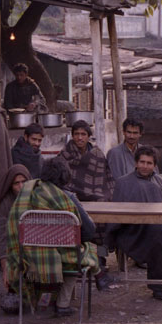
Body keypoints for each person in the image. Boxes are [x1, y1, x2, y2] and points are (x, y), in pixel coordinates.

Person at [6, 159, 100, 317]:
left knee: (71, 250)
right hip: (61, 257)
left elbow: (14, 225)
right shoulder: (67, 197)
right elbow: (89, 232)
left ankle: (41, 300)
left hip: (28, 255)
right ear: (65, 177)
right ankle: (63, 304)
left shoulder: (27, 196)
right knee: (83, 251)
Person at [107, 146, 162, 301]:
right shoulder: (124, 182)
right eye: (142, 162)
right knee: (159, 234)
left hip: (159, 226)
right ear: (136, 163)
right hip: (133, 230)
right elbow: (116, 215)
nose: (145, 166)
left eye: (149, 163)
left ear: (154, 165)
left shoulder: (159, 181)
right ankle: (159, 287)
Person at [53, 120, 115, 290]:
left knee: (104, 213)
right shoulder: (64, 155)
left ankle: (100, 258)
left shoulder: (97, 154)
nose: (80, 138)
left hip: (96, 195)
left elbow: (106, 178)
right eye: (76, 134)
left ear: (88, 137)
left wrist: (106, 195)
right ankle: (77, 258)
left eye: (83, 134)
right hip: (73, 196)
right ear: (72, 136)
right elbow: (59, 180)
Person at [0, 164, 31, 301]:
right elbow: (0, 233)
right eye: (16, 183)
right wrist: (5, 266)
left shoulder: (34, 196)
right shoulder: (5, 202)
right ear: (10, 185)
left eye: (24, 182)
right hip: (10, 243)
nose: (21, 186)